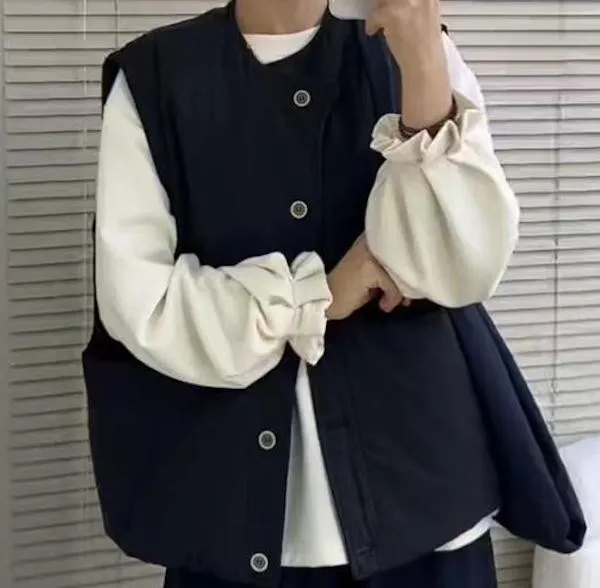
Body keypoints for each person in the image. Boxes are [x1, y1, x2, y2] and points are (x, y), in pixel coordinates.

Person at [82, 1, 583, 587]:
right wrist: (320, 293)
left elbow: (467, 264)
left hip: (426, 507)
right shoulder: (155, 76)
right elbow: (142, 305)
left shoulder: (416, 45)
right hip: (231, 515)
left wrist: (424, 70)